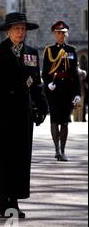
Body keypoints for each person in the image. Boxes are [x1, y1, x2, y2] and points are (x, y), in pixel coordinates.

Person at [0, 12, 48, 219]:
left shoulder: (31, 53)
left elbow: (36, 83)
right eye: (16, 29)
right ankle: (5, 200)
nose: (20, 32)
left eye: (23, 29)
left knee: (20, 158)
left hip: (23, 112)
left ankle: (15, 200)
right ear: (8, 31)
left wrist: (42, 107)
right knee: (4, 158)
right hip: (3, 113)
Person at [42, 21, 81, 161]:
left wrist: (77, 93)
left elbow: (75, 74)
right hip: (54, 89)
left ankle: (63, 151)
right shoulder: (49, 50)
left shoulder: (71, 50)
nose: (60, 35)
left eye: (63, 33)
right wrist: (48, 84)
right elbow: (45, 73)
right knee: (54, 120)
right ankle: (56, 149)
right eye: (58, 33)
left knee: (64, 121)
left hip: (67, 90)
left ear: (66, 34)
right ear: (54, 34)